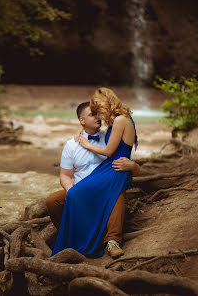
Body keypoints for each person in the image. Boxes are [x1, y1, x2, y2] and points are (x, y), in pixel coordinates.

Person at [47, 97, 139, 258]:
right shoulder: (71, 145)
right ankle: (71, 235)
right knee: (53, 201)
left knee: (116, 190)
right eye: (92, 114)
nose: (97, 117)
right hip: (81, 189)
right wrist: (71, 191)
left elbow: (125, 157)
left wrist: (134, 166)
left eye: (98, 113)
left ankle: (112, 241)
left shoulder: (110, 137)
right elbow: (65, 175)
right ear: (82, 120)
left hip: (106, 188)